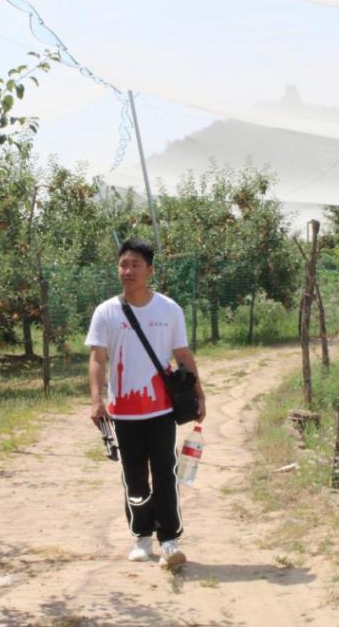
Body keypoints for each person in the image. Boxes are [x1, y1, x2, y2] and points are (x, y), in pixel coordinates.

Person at [86, 238, 206, 568]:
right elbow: (97, 358)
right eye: (123, 265)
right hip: (123, 414)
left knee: (165, 473)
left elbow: (182, 355)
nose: (128, 271)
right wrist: (96, 401)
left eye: (135, 265)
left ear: (149, 270)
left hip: (161, 410)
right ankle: (141, 536)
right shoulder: (106, 312)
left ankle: (169, 539)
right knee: (134, 475)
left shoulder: (169, 309)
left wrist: (199, 393)